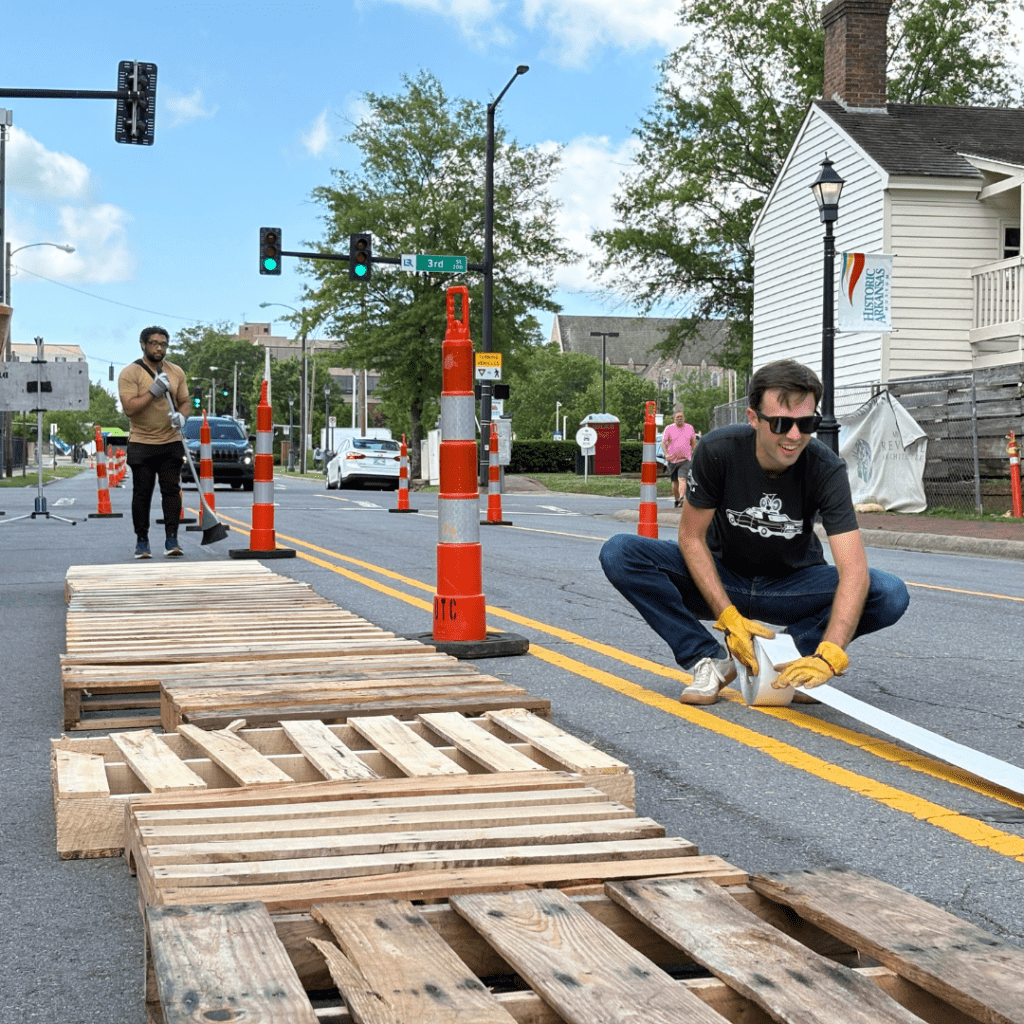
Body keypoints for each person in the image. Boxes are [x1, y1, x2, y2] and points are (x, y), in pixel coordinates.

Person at [600, 359, 909, 705]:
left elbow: (853, 570)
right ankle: (708, 659)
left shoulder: (826, 468)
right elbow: (690, 538)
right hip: (722, 577)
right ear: (753, 419)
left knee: (889, 592)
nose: (794, 436)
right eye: (780, 423)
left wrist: (830, 652)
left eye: (806, 423)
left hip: (791, 586)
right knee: (621, 552)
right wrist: (727, 616)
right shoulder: (718, 451)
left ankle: (794, 660)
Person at [117, 327, 191, 559]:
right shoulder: (130, 373)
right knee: (142, 493)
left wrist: (182, 416)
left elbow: (185, 401)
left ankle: (172, 539)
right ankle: (142, 541)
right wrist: (153, 391)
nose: (159, 348)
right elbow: (130, 408)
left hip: (170, 440)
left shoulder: (176, 372)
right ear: (143, 345)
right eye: (153, 343)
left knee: (171, 491)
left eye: (163, 344)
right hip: (142, 441)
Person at [662, 409, 697, 507]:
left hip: (685, 459)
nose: (680, 419)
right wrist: (666, 454)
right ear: (674, 419)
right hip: (672, 460)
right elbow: (663, 443)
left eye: (681, 417)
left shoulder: (689, 428)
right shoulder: (669, 429)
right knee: (674, 482)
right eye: (677, 417)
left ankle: (682, 498)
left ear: (684, 418)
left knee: (682, 479)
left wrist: (695, 453)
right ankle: (677, 500)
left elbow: (693, 443)